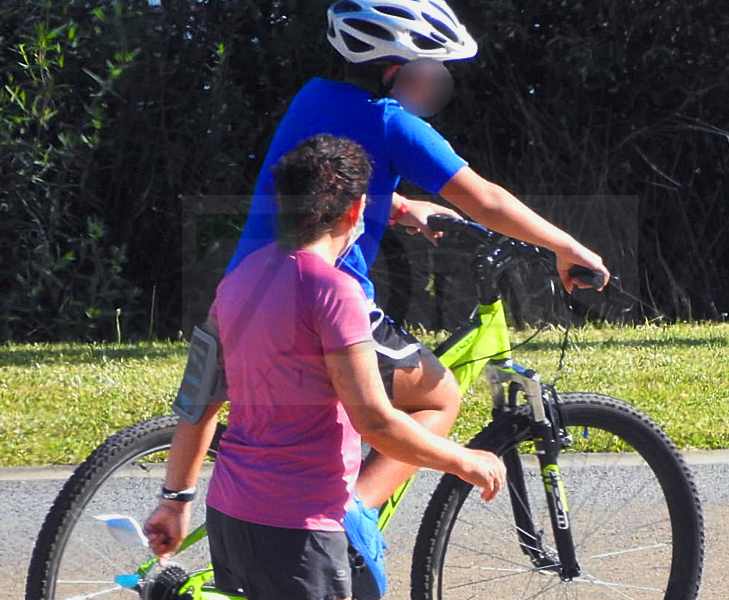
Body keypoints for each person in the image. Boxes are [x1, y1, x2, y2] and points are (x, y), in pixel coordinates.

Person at [216, 0, 614, 594]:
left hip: (248, 291)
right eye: (428, 68)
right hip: (319, 297)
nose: (433, 82)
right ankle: (351, 516)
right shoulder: (390, 121)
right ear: (393, 69)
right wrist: (566, 248)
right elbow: (484, 201)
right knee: (439, 396)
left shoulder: (314, 97)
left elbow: (321, 178)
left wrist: (397, 204)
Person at [144, 134, 507, 600]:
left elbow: (198, 403)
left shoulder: (237, 282)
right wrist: (465, 460)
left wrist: (175, 501)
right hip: (301, 528)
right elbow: (374, 420)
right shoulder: (335, 293)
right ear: (355, 212)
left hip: (231, 515)